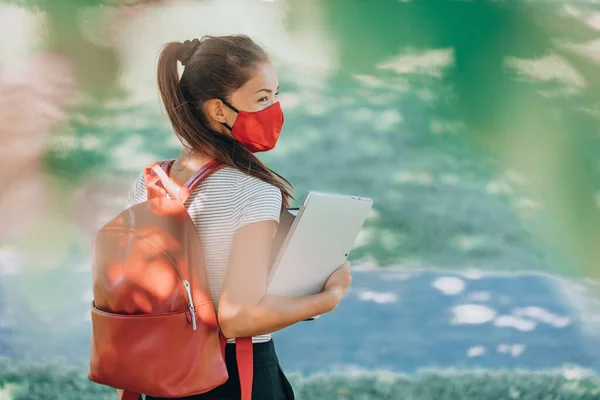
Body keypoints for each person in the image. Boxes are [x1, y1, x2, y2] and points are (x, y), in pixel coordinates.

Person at [125, 35, 352, 400]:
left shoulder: (149, 183)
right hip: (233, 378)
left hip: (165, 375)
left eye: (276, 95)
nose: (275, 109)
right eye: (262, 98)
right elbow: (238, 317)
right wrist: (329, 296)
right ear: (218, 110)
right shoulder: (252, 192)